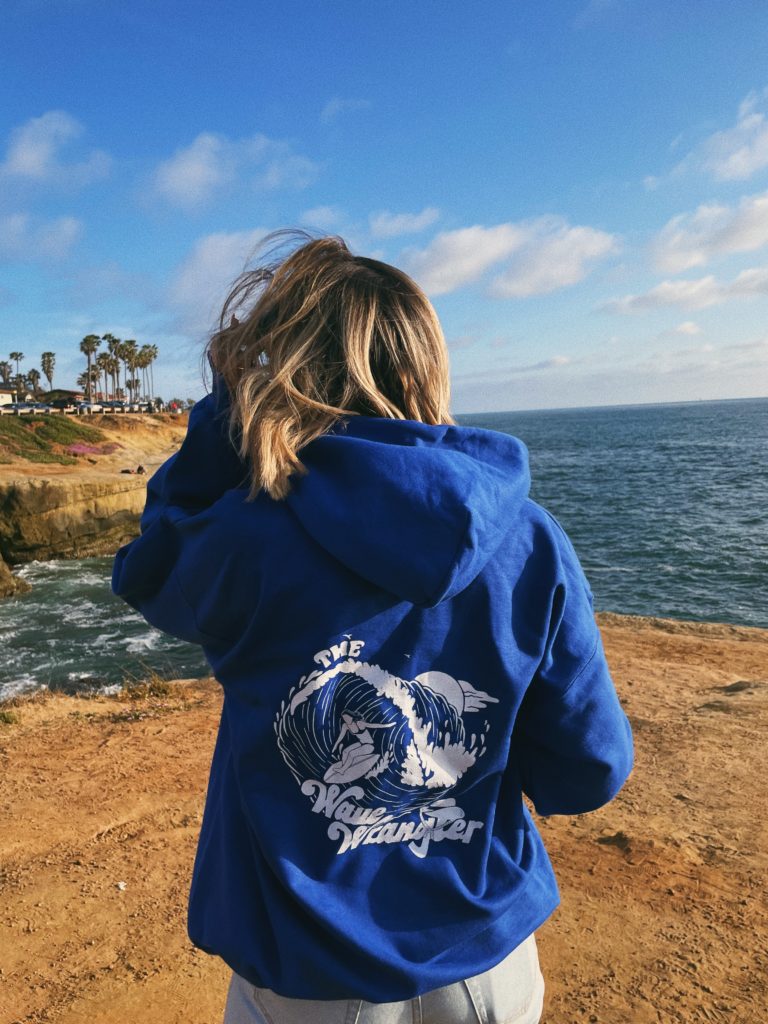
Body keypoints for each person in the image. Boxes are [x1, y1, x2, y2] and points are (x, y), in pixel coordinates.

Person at [111, 230, 634, 1024]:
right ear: (425, 369)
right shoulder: (529, 539)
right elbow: (589, 769)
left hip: (307, 974)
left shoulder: (244, 541)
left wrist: (225, 417)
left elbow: (148, 567)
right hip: (484, 961)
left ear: (283, 375)